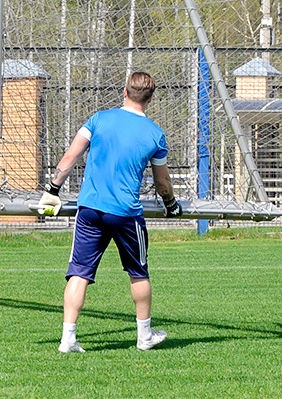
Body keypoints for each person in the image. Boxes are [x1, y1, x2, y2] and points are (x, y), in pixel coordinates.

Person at [37, 71, 181, 353]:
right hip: (126, 214)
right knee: (138, 272)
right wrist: (171, 204)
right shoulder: (155, 134)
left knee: (79, 273)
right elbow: (163, 182)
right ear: (150, 99)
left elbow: (71, 156)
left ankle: (67, 339)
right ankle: (144, 336)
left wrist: (53, 189)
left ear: (125, 92)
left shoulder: (99, 119)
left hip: (90, 210)